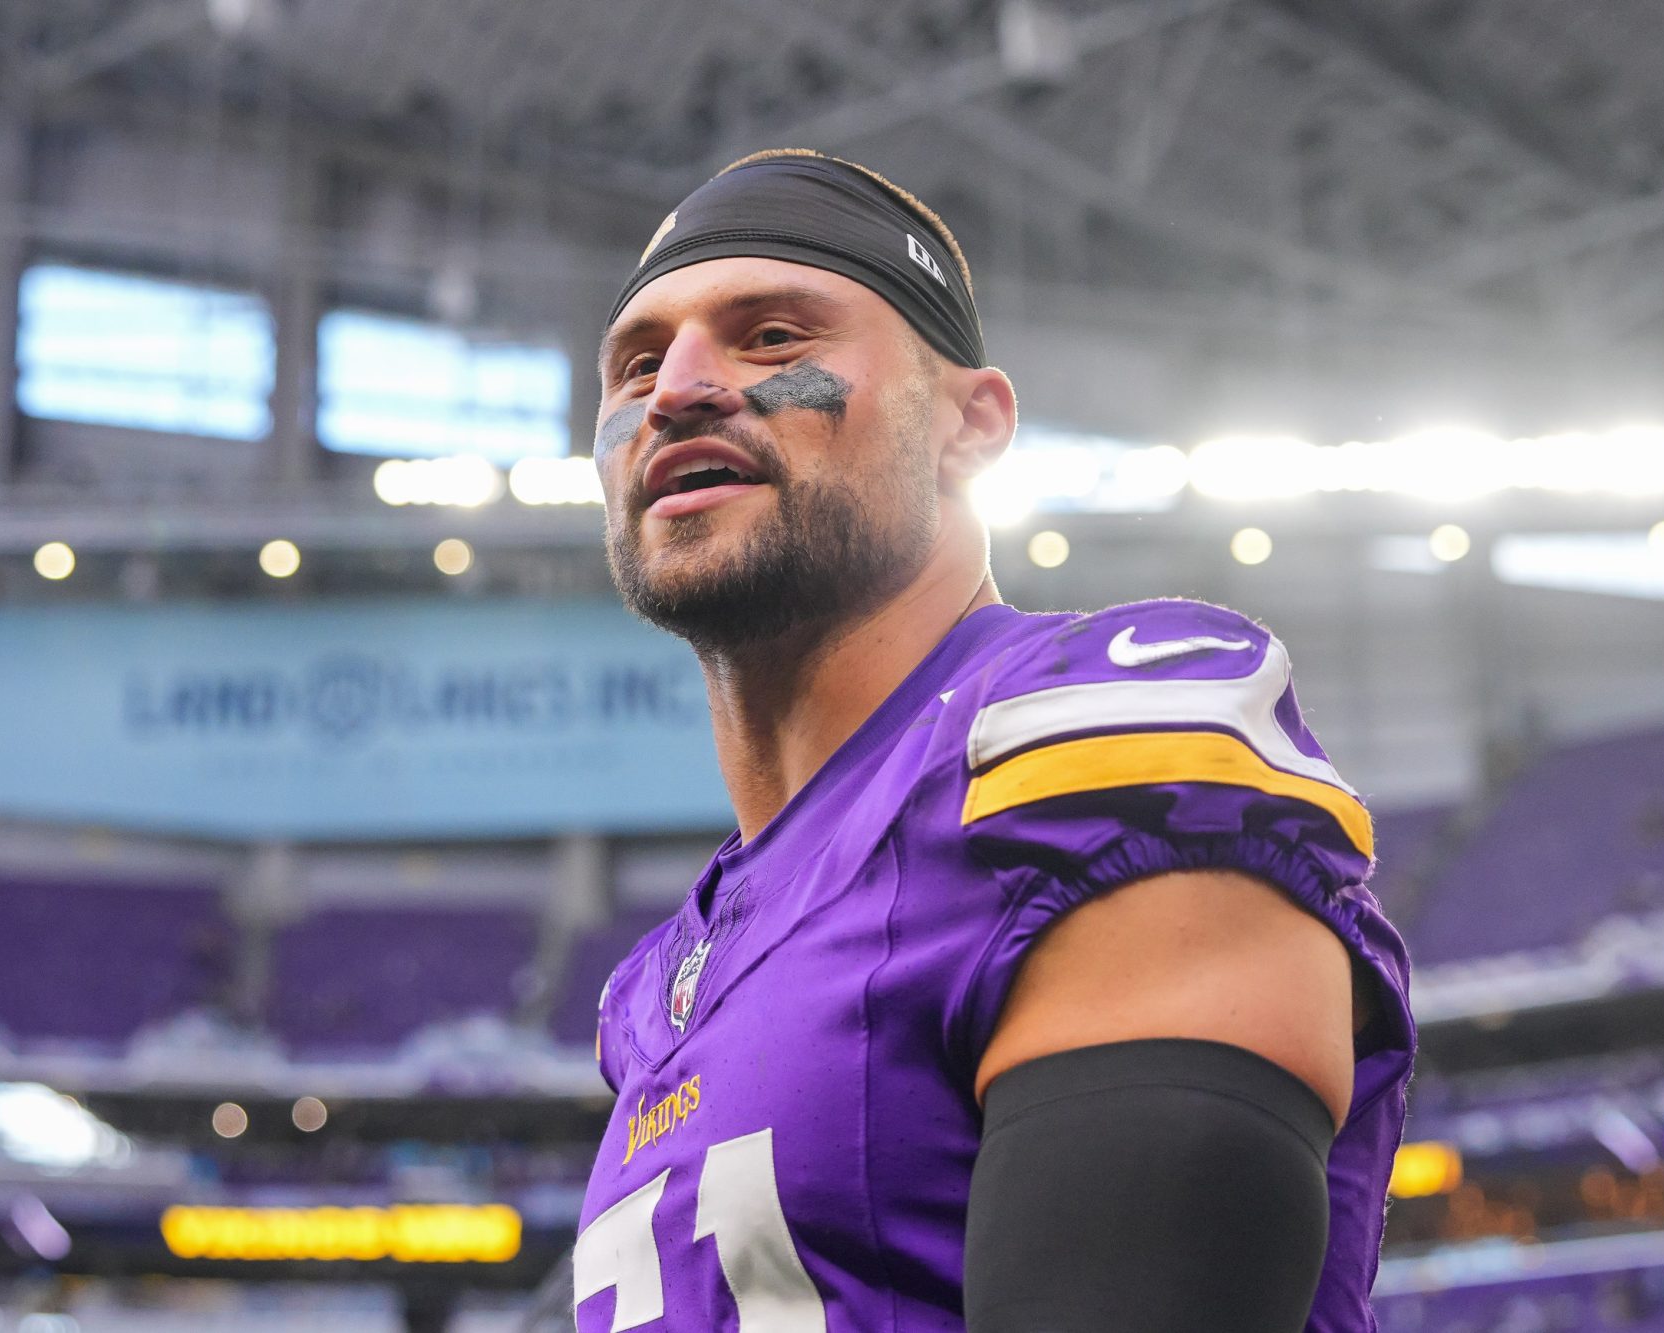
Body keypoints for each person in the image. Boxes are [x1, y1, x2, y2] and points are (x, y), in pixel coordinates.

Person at [573, 149, 1413, 1332]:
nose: (678, 390)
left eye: (770, 337)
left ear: (970, 426)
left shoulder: (1090, 748)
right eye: (639, 361)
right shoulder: (665, 979)